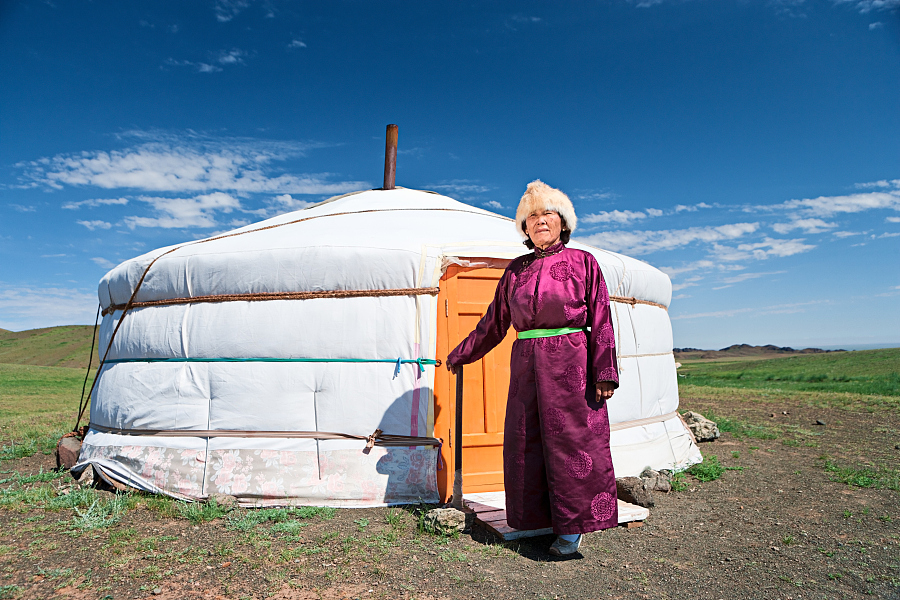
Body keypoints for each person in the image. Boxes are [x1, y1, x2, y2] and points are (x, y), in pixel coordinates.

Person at [447, 180, 619, 556]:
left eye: (548, 214)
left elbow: (603, 318)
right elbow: (494, 323)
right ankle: (538, 520)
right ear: (524, 227)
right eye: (532, 216)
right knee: (527, 440)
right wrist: (462, 352)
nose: (540, 221)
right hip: (527, 362)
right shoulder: (515, 271)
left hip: (572, 360)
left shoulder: (584, 263)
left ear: (563, 223)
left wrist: (604, 372)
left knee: (574, 443)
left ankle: (571, 530)